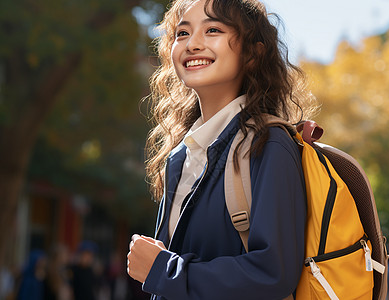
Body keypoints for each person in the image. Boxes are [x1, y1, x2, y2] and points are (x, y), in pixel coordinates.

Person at [127, 0, 317, 299]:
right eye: (182, 33)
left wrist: (164, 270)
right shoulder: (179, 156)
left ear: (254, 53)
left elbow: (272, 274)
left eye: (212, 29)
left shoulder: (269, 145)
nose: (192, 44)